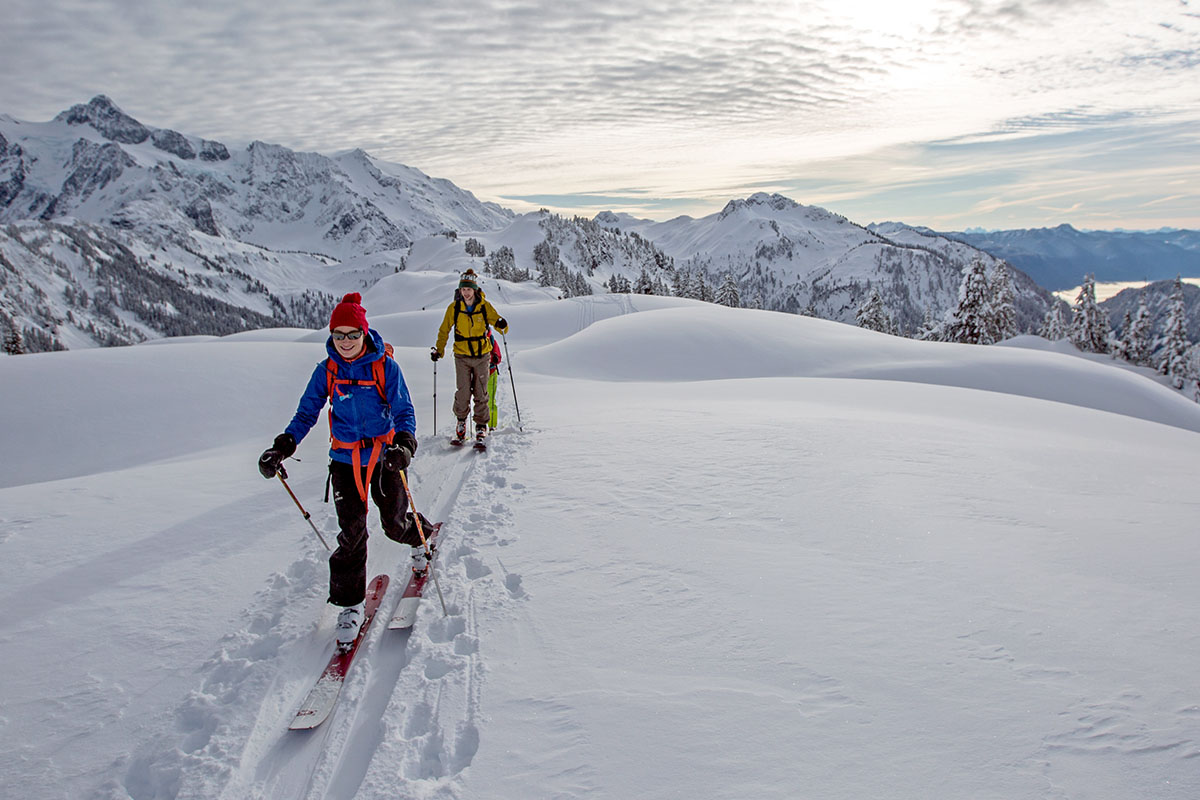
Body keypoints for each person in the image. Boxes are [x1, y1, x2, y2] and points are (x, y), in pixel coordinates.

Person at [258, 292, 432, 650]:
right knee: (351, 533)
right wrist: (283, 446)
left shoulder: (385, 366)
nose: (346, 342)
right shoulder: (327, 370)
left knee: (394, 524)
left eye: (353, 334)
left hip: (385, 456)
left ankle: (420, 538)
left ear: (364, 333)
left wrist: (404, 446)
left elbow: (404, 411)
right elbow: (306, 413)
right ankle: (350, 605)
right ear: (331, 335)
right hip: (344, 460)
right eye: (339, 334)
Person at [431, 270, 508, 444]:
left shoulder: (484, 306)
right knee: (463, 391)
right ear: (460, 290)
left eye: (469, 289)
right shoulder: (454, 308)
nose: (466, 292)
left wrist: (502, 324)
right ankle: (461, 423)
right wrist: (439, 350)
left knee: (481, 391)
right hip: (462, 356)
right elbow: (444, 330)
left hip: (482, 355)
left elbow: (496, 320)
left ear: (474, 290)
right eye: (463, 289)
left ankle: (481, 426)